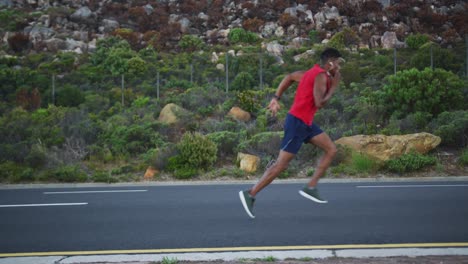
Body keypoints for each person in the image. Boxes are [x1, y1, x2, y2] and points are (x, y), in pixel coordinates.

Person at [239, 48, 344, 219]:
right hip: (297, 123)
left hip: (306, 123)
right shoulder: (321, 77)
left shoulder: (310, 73)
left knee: (331, 149)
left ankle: (310, 187)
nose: (339, 67)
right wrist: (334, 86)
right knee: (281, 165)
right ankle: (250, 193)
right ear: (330, 63)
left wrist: (275, 98)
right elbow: (320, 103)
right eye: (338, 63)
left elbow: (289, 77)